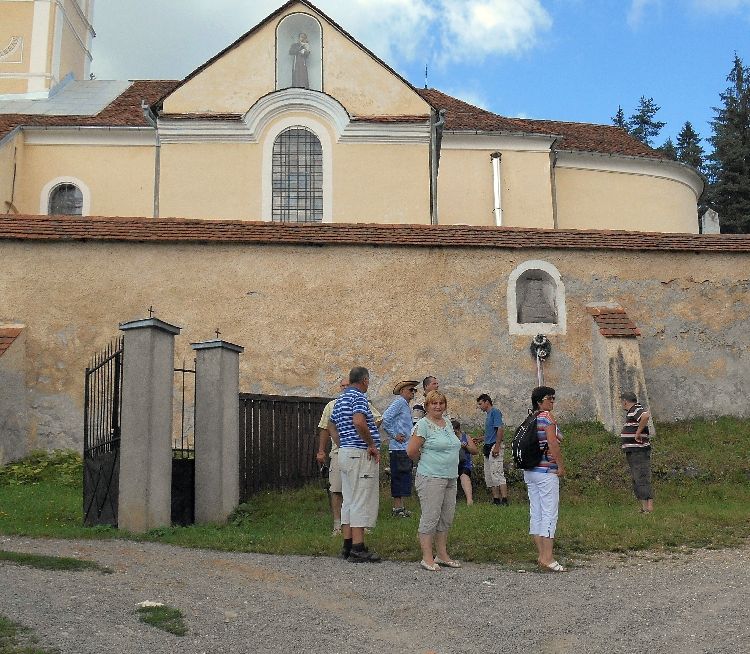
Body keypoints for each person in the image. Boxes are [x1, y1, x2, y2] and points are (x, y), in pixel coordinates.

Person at [330, 366, 381, 563]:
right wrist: (371, 444)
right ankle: (358, 548)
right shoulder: (358, 397)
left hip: (345, 452)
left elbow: (331, 425)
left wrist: (341, 443)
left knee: (349, 500)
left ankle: (347, 545)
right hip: (359, 453)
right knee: (360, 499)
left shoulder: (340, 399)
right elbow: (359, 421)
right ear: (364, 380)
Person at [407, 390, 462, 571]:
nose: (438, 406)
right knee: (430, 516)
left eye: (441, 403)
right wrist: (424, 462)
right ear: (427, 406)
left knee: (446, 517)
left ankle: (442, 554)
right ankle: (427, 557)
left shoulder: (447, 423)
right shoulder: (423, 425)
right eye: (434, 403)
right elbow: (411, 451)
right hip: (431, 477)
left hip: (450, 476)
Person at [524, 386, 566, 572]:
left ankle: (541, 555)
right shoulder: (547, 417)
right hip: (546, 470)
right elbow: (554, 442)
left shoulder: (531, 418)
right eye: (550, 398)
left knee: (536, 512)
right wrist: (560, 466)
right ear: (540, 401)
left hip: (530, 471)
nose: (553, 401)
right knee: (549, 513)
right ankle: (548, 558)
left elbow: (558, 436)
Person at [382, 380, 419, 518]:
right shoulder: (399, 403)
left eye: (414, 390)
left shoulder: (405, 405)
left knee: (404, 477)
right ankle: (397, 509)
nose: (413, 392)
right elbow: (385, 418)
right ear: (402, 391)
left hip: (404, 447)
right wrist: (394, 435)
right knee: (398, 477)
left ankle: (401, 508)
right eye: (411, 390)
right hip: (398, 448)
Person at [316, 379, 347, 535]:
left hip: (357, 452)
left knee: (356, 491)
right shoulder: (332, 405)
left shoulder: (361, 403)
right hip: (337, 453)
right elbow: (324, 428)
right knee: (336, 489)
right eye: (342, 386)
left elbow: (378, 419)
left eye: (348, 385)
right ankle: (337, 525)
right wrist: (321, 451)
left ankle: (357, 524)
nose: (345, 388)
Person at [620, 391, 654, 513]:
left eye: (622, 402)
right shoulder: (633, 410)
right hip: (633, 450)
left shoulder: (635, 409)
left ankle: (649, 509)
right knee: (637, 478)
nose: (622, 404)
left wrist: (638, 432)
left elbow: (645, 416)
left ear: (625, 401)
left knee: (642, 477)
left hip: (639, 450)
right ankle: (644, 508)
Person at [476, 393, 508, 505]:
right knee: (489, 473)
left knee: (497, 472)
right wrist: (480, 439)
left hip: (494, 445)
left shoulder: (495, 412)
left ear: (487, 402)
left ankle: (504, 499)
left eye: (480, 404)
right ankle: (496, 499)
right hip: (488, 445)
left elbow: (500, 429)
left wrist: (497, 446)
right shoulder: (488, 415)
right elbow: (490, 433)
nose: (479, 406)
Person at [452, 419, 478, 505]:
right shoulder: (448, 437)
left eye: (455, 432)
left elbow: (475, 451)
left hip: (464, 463)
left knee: (464, 476)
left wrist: (466, 446)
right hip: (451, 464)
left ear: (458, 429)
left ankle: (469, 500)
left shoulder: (466, 437)